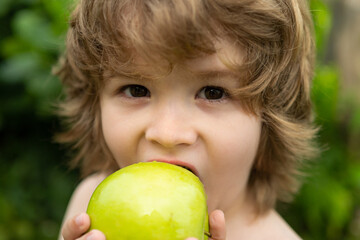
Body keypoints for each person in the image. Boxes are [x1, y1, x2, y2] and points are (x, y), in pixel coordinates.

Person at [55, 0, 318, 239]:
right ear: (95, 105)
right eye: (137, 90)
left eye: (213, 93)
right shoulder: (89, 206)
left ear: (270, 121)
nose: (167, 133)